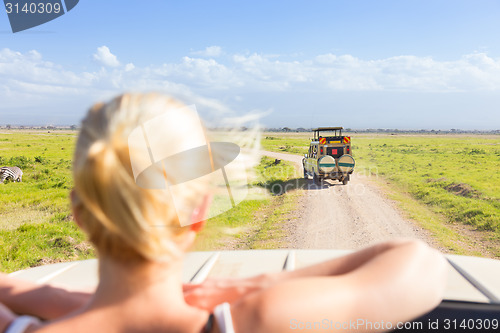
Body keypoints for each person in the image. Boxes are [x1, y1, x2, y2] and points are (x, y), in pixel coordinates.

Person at [0, 93, 448, 332]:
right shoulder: (250, 320)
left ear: (79, 212)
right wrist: (263, 283)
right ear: (201, 209)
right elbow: (420, 265)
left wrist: (53, 300)